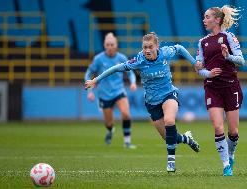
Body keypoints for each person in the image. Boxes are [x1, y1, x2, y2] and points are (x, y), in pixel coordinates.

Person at [85, 32, 203, 172]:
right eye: (145, 47)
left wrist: (194, 62)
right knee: (168, 137)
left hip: (168, 94)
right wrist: (95, 80)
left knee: (170, 120)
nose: (147, 50)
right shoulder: (139, 60)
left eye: (150, 47)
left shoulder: (165, 53)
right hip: (152, 102)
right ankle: (187, 139)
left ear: (157, 46)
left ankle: (171, 161)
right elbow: (116, 68)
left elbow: (180, 48)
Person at [195, 5, 245, 176]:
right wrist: (207, 72)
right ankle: (225, 166)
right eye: (204, 17)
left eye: (207, 17)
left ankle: (231, 155)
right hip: (212, 87)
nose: (204, 20)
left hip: (231, 86)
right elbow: (199, 68)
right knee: (218, 127)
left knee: (233, 131)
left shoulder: (229, 37)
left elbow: (241, 61)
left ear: (217, 19)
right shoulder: (202, 42)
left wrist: (228, 57)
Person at [84, 32, 137, 149]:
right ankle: (110, 131)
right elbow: (88, 73)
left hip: (119, 91)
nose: (110, 47)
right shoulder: (98, 59)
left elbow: (131, 72)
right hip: (104, 94)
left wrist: (133, 82)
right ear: (104, 45)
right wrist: (90, 91)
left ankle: (127, 142)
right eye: (108, 44)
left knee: (126, 114)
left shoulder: (121, 58)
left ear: (116, 45)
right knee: (109, 123)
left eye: (112, 44)